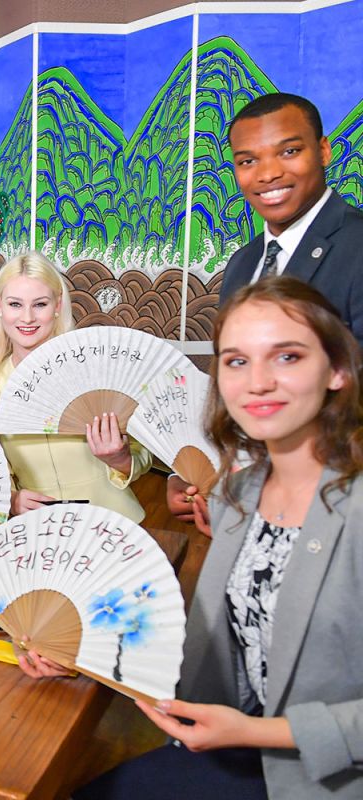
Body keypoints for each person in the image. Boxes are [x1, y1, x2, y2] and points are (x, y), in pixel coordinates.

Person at [26, 276, 363, 798]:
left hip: (322, 775)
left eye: (288, 357)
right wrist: (83, 655)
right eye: (236, 361)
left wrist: (256, 732)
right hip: (238, 749)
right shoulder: (242, 493)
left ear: (338, 369)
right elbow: (221, 649)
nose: (258, 382)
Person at [170, 92, 363, 527]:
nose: (269, 173)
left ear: (325, 150)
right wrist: (212, 478)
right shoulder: (244, 262)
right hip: (248, 504)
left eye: (289, 151)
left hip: (335, 506)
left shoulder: (357, 244)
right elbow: (233, 389)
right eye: (247, 160)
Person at [0, 252, 151, 521]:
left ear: (58, 305)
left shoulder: (97, 372)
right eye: (15, 304)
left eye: (40, 304)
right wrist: (11, 499)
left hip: (115, 521)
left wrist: (121, 459)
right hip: (38, 529)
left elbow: (143, 451)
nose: (28, 317)